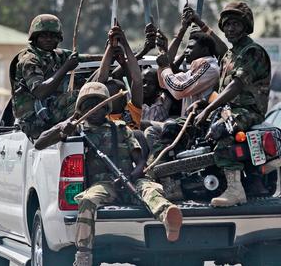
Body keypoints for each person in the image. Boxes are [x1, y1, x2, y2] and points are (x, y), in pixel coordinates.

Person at [35, 82, 183, 266]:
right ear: (81, 109)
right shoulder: (78, 130)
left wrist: (132, 176)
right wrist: (62, 128)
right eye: (88, 105)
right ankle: (83, 255)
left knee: (150, 189)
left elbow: (140, 161)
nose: (93, 109)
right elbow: (39, 143)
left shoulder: (121, 128)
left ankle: (168, 217)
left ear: (106, 107)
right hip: (104, 185)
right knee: (87, 200)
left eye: (97, 104)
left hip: (129, 179)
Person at [192, 1, 272, 207]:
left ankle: (236, 190)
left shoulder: (252, 52)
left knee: (222, 130)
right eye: (227, 24)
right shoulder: (230, 55)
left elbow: (235, 87)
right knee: (178, 127)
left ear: (246, 26)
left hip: (247, 111)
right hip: (226, 110)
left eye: (235, 24)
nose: (230, 29)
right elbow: (221, 88)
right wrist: (203, 105)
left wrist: (209, 110)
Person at [11, 14, 95, 140]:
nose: (49, 39)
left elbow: (84, 58)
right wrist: (65, 67)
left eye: (53, 36)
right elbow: (40, 92)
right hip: (34, 122)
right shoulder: (29, 60)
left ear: (58, 38)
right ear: (35, 38)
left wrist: (114, 53)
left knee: (95, 90)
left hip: (49, 112)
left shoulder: (55, 55)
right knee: (80, 97)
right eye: (43, 35)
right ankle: (76, 134)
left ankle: (93, 132)